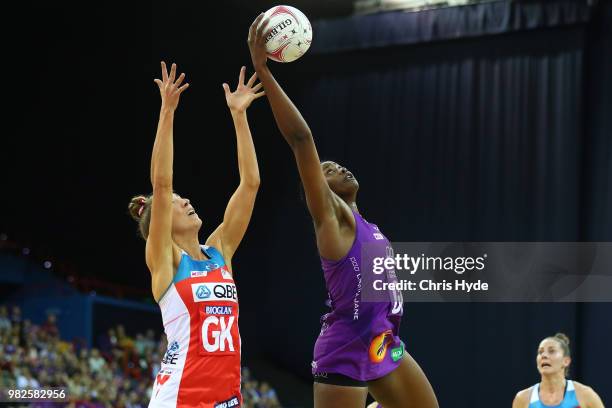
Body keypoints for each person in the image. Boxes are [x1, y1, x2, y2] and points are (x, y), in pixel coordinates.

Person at [247, 15, 438, 408]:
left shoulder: (370, 227)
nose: (339, 168)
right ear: (318, 192)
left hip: (384, 342)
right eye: (328, 171)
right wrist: (264, 70)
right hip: (346, 345)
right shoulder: (332, 218)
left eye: (337, 165)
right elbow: (301, 140)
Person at [128, 61, 264, 407]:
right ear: (161, 221)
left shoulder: (220, 250)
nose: (185, 200)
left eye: (182, 198)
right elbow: (161, 184)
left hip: (227, 398)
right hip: (181, 398)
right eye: (176, 203)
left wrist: (239, 115)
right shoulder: (165, 259)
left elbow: (250, 184)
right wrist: (167, 111)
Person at [512, 333, 604, 408]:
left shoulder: (585, 394)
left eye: (551, 351)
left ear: (566, 361)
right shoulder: (523, 398)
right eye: (540, 352)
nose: (544, 355)